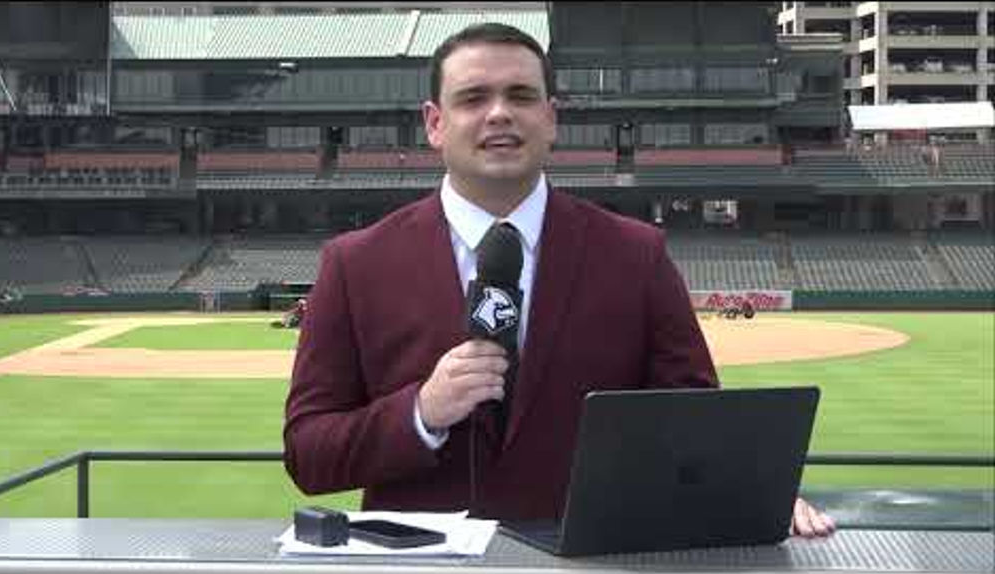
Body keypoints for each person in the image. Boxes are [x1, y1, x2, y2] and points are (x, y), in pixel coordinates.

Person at [284, 23, 835, 538]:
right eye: (473, 98)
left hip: (586, 559)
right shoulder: (355, 264)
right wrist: (420, 413)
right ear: (434, 123)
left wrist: (750, 491)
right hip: (422, 563)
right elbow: (308, 455)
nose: (499, 114)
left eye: (521, 96)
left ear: (551, 118)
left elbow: (693, 423)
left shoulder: (635, 254)